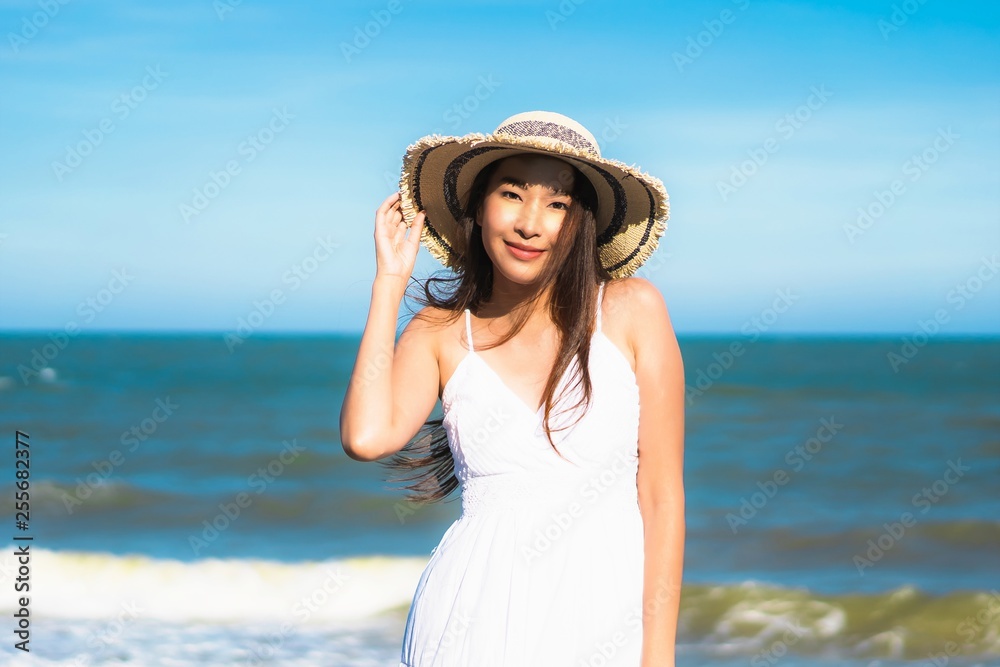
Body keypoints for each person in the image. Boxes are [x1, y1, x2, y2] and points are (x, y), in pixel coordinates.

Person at [339, 111, 685, 666]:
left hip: (601, 621)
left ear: (581, 224)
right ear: (479, 206)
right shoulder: (442, 330)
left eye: (558, 204)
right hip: (466, 624)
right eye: (512, 193)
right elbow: (366, 435)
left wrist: (659, 657)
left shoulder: (630, 311)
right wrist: (389, 283)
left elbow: (662, 498)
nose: (531, 223)